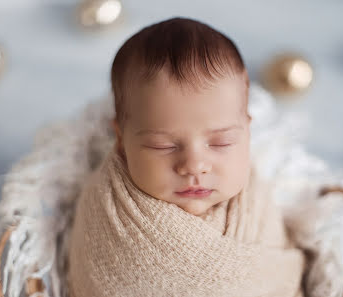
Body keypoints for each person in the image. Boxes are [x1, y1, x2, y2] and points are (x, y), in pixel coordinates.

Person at [67, 17, 305, 297]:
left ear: (248, 132)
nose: (194, 165)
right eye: (162, 145)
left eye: (221, 142)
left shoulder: (258, 205)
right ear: (121, 139)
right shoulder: (106, 210)